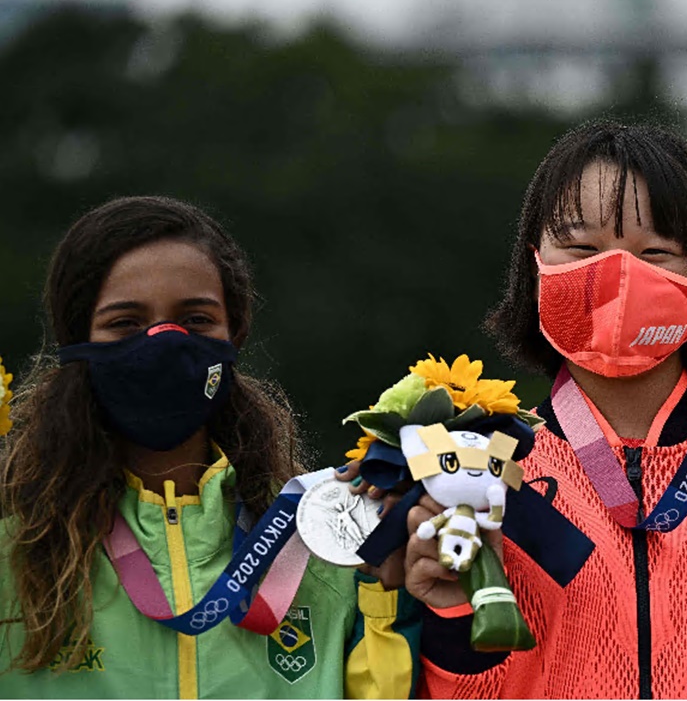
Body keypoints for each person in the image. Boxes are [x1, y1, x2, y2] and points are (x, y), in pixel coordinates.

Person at [394, 121, 687, 698]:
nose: (618, 275)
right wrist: (456, 621)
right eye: (583, 249)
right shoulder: (479, 470)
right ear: (536, 266)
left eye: (656, 252)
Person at [0, 197, 419, 698]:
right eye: (125, 324)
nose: (162, 342)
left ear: (232, 334)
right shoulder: (13, 553)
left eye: (195, 320)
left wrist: (392, 593)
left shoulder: (322, 541)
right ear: (78, 342)